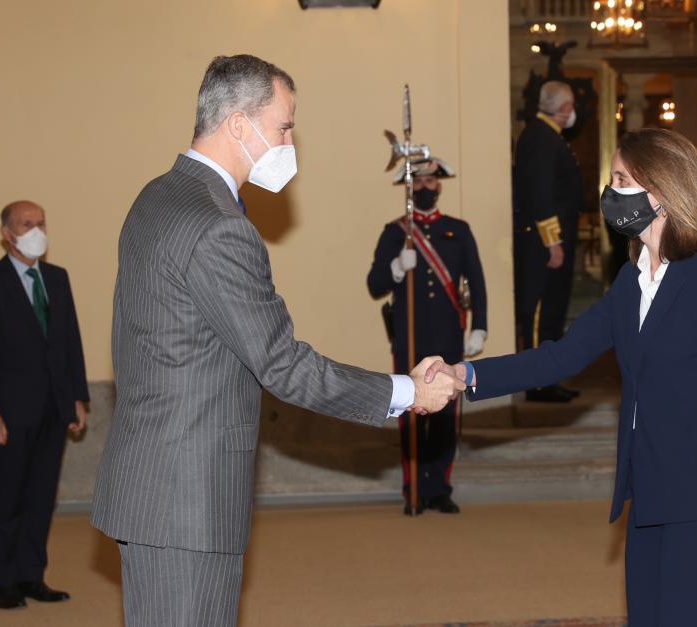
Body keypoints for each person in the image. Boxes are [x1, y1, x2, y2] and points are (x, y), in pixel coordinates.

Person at [90, 54, 464, 627]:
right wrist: (405, 391)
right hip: (189, 499)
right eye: (284, 126)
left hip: (154, 484)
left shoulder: (159, 195)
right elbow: (283, 364)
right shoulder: (219, 226)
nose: (290, 142)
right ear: (239, 124)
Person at [428, 128, 697, 626]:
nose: (610, 193)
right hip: (650, 499)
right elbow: (560, 356)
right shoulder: (631, 278)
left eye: (621, 179)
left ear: (661, 190)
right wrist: (464, 372)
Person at [0, 201, 89, 610]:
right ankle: (3, 580)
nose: (36, 229)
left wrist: (78, 397)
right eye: (26, 224)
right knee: (8, 495)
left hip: (54, 408)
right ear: (7, 233)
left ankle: (32, 575)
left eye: (40, 222)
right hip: (9, 412)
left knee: (40, 495)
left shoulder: (57, 278)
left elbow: (70, 341)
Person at [367, 159, 487, 515]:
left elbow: (477, 282)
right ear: (409, 187)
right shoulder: (396, 232)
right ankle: (414, 488)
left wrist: (480, 326)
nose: (423, 186)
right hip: (410, 339)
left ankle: (440, 488)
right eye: (416, 181)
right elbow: (375, 285)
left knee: (446, 415)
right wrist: (395, 269)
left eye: (429, 180)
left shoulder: (458, 230)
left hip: (449, 337)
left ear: (439, 186)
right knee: (411, 413)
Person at [512, 80, 583, 403]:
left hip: (551, 243)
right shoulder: (541, 138)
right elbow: (541, 197)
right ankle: (537, 382)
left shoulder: (547, 136)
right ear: (564, 108)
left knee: (553, 311)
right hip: (543, 246)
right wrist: (553, 243)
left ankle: (547, 379)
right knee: (541, 313)